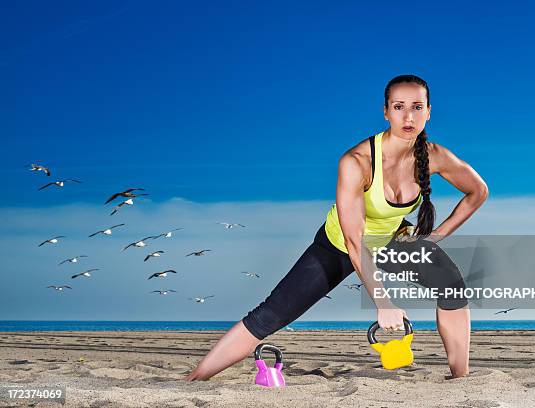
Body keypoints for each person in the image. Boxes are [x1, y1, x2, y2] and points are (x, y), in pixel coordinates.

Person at [185, 74, 488, 381]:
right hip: (339, 246)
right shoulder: (357, 162)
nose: (408, 116)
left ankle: (459, 378)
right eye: (399, 107)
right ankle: (195, 379)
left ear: (428, 111)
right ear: (386, 111)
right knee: (272, 314)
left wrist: (435, 237)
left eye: (416, 107)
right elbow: (355, 242)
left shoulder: (435, 156)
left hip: (391, 239)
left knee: (451, 284)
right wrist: (383, 304)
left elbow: (478, 191)